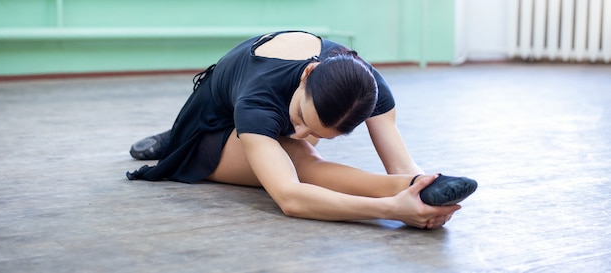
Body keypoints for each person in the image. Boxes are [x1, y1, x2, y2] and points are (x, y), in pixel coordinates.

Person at [126, 30, 477, 229]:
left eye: (319, 129)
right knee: (303, 161)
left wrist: (418, 187)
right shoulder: (258, 99)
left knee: (301, 150)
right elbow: (290, 197)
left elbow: (400, 165)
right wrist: (392, 210)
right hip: (212, 128)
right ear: (308, 74)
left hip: (258, 118)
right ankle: (174, 139)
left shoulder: (364, 86)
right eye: (300, 118)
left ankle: (421, 189)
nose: (296, 130)